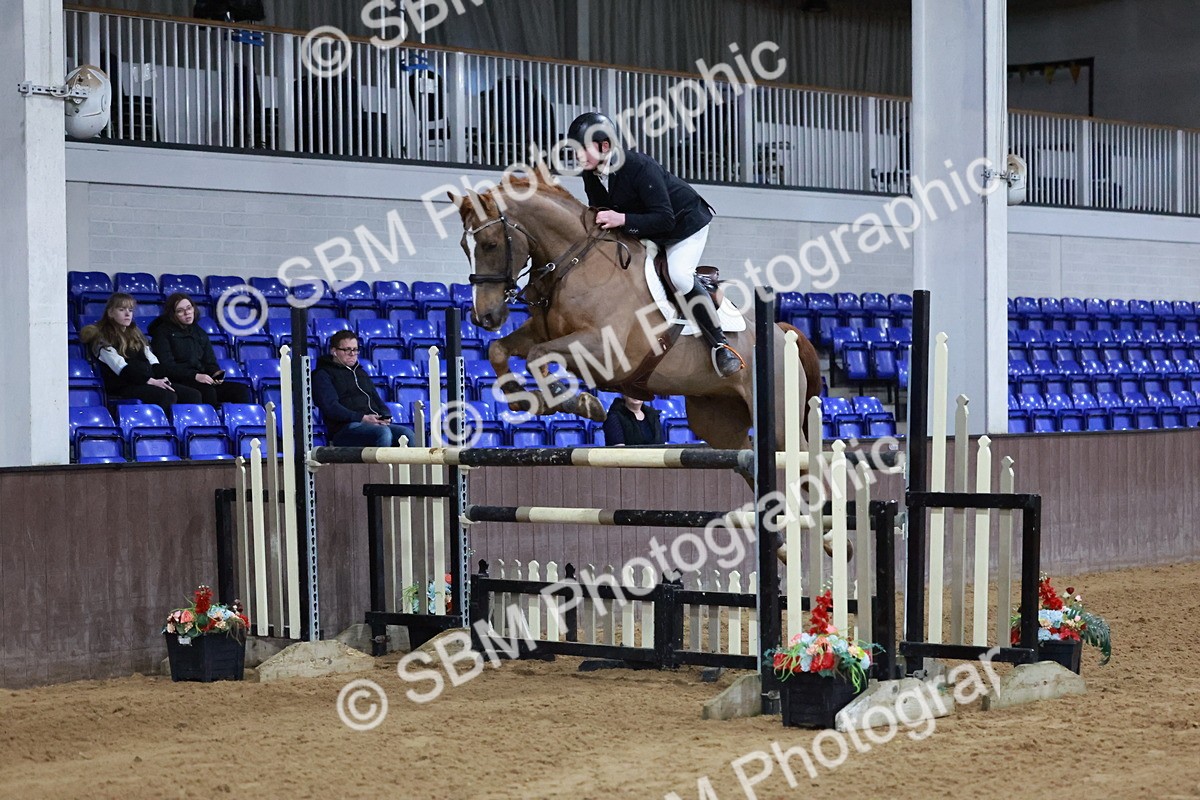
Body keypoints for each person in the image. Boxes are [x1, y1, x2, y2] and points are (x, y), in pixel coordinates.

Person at [567, 110, 743, 378]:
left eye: (582, 149)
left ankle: (720, 345)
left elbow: (664, 218)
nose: (578, 156)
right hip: (646, 227)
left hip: (683, 224)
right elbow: (600, 210)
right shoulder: (591, 172)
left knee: (678, 275)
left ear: (605, 146)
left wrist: (621, 219)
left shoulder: (638, 166)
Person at [80, 293, 202, 413]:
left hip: (146, 381)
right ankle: (158, 425)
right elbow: (122, 369)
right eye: (122, 310)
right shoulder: (102, 338)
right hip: (124, 385)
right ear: (111, 313)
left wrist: (162, 378)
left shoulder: (136, 334)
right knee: (167, 396)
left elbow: (153, 361)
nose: (127, 314)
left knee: (192, 395)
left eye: (130, 310)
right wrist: (152, 381)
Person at [312, 330, 416, 447]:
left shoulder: (361, 373)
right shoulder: (322, 374)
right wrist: (362, 418)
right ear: (334, 351)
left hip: (371, 424)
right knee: (382, 433)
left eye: (355, 349)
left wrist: (385, 415)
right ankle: (380, 460)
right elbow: (331, 407)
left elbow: (377, 400)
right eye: (347, 350)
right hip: (344, 429)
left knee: (408, 434)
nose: (352, 354)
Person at [148, 293, 252, 407]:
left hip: (200, 379)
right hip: (179, 380)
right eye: (180, 311)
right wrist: (195, 376)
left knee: (241, 390)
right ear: (173, 314)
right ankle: (210, 418)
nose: (187, 313)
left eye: (189, 308)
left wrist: (215, 372)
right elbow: (167, 367)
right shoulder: (162, 333)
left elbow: (209, 361)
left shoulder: (199, 332)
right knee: (207, 391)